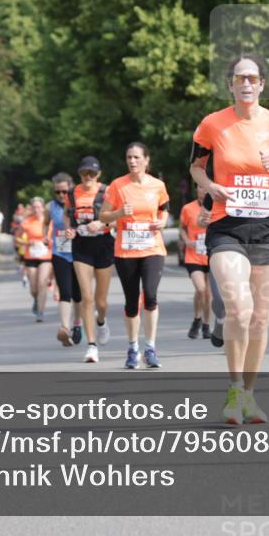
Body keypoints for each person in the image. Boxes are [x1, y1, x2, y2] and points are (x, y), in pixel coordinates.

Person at [190, 54, 269, 425]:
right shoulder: (212, 124)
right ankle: (234, 389)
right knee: (239, 309)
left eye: (252, 78)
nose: (246, 83)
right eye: (240, 78)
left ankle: (249, 395)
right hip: (227, 225)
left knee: (259, 318)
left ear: (262, 85)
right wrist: (211, 187)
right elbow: (195, 167)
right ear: (230, 84)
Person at [99, 143, 169, 369]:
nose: (132, 161)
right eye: (129, 157)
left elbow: (164, 209)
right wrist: (119, 213)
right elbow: (103, 216)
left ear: (146, 160)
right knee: (131, 302)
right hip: (126, 250)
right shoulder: (117, 185)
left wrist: (162, 222)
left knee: (150, 295)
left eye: (137, 157)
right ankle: (133, 348)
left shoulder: (157, 185)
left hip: (152, 248)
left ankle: (150, 348)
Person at [69, 156, 116, 362]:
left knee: (101, 302)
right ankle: (91, 346)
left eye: (92, 173)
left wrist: (103, 224)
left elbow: (118, 219)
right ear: (79, 174)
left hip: (103, 245)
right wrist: (70, 230)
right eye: (84, 173)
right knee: (86, 298)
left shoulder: (108, 191)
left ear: (99, 175)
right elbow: (68, 216)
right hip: (81, 246)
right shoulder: (73, 193)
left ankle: (101, 321)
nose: (88, 177)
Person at [47, 173, 85, 351]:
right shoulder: (50, 207)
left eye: (64, 191)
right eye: (58, 192)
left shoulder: (79, 204)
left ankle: (77, 323)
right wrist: (45, 237)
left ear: (71, 189)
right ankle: (64, 328)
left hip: (79, 253)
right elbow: (45, 223)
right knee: (65, 292)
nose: (61, 195)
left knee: (78, 294)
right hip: (60, 254)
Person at [180, 184, 212, 340]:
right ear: (197, 189)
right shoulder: (188, 208)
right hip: (193, 255)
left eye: (206, 188)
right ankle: (197, 320)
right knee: (200, 289)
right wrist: (187, 241)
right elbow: (182, 228)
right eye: (200, 187)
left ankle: (206, 325)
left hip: (211, 255)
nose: (203, 190)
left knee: (209, 294)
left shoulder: (217, 208)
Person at [15, 197, 53, 323]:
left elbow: (56, 236)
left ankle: (41, 312)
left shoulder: (49, 222)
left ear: (43, 208)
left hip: (46, 256)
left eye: (39, 207)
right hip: (31, 256)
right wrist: (27, 242)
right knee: (34, 288)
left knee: (42, 283)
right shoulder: (27, 222)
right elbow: (17, 238)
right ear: (31, 209)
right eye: (34, 207)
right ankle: (36, 299)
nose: (37, 209)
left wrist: (50, 241)